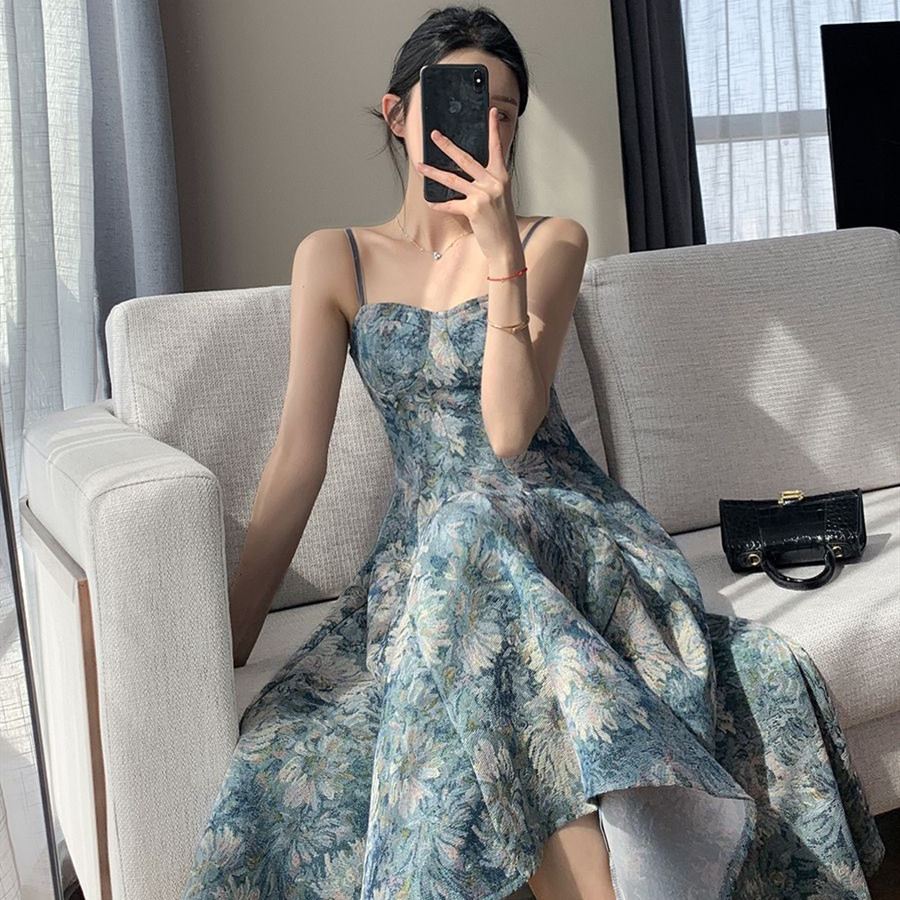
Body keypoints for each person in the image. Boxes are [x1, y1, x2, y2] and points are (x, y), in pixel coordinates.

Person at [183, 7, 885, 900]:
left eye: (505, 111)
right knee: (308, 739)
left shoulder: (552, 241)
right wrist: (226, 638)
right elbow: (298, 459)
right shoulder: (333, 259)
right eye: (463, 101)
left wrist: (500, 253)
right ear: (398, 114)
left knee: (471, 524)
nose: (486, 125)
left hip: (561, 524)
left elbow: (510, 432)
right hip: (432, 553)